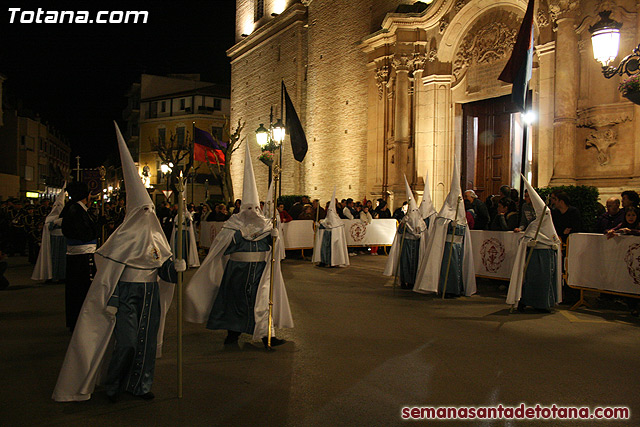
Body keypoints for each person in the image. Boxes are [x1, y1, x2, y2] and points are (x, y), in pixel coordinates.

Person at [52, 123, 186, 402]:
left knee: (146, 343)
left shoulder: (158, 239)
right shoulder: (122, 238)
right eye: (144, 209)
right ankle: (113, 384)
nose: (148, 213)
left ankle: (140, 385)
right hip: (126, 293)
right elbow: (109, 270)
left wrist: (175, 268)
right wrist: (112, 297)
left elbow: (164, 270)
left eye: (150, 210)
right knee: (125, 342)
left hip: (150, 294)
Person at [185, 145, 293, 348]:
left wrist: (275, 239)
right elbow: (220, 248)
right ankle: (232, 336)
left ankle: (266, 336)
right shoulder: (232, 226)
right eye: (248, 207)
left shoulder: (267, 225)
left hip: (261, 271)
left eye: (255, 207)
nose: (252, 211)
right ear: (242, 208)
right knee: (235, 303)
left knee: (261, 303)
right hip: (237, 271)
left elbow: (274, 253)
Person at [414, 160, 476, 297]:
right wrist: (448, 226)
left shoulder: (462, 216)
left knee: (458, 268)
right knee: (449, 268)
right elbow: (439, 229)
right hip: (447, 247)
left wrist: (460, 227)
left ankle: (458, 289)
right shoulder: (443, 216)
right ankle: (447, 289)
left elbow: (465, 231)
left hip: (459, 247)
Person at [507, 177, 562, 312]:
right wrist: (529, 242)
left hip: (545, 256)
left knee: (544, 281)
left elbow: (554, 239)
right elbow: (526, 236)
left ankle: (543, 304)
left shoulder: (546, 220)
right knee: (530, 280)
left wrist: (553, 244)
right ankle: (525, 301)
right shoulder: (534, 224)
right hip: (534, 257)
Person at [60, 181, 99, 331]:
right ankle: (79, 320)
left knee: (79, 288)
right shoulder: (76, 211)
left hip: (80, 254)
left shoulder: (77, 209)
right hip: (81, 256)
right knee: (81, 288)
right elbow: (83, 233)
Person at [384, 176, 427, 289]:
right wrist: (403, 226)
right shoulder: (405, 219)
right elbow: (399, 232)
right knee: (405, 263)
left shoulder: (420, 220)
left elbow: (421, 231)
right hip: (406, 244)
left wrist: (416, 231)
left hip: (416, 245)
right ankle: (404, 280)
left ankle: (413, 281)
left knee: (414, 263)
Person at [32, 186, 67, 282]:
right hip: (53, 240)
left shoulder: (65, 217)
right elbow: (47, 226)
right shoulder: (50, 218)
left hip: (62, 239)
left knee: (62, 259)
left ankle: (62, 275)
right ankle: (52, 275)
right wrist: (54, 224)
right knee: (53, 259)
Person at [312, 187, 350, 267]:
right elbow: (325, 224)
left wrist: (324, 225)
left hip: (333, 239)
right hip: (326, 237)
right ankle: (324, 261)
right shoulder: (328, 218)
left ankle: (332, 262)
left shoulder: (337, 221)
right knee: (324, 250)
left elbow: (331, 225)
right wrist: (319, 225)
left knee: (331, 250)